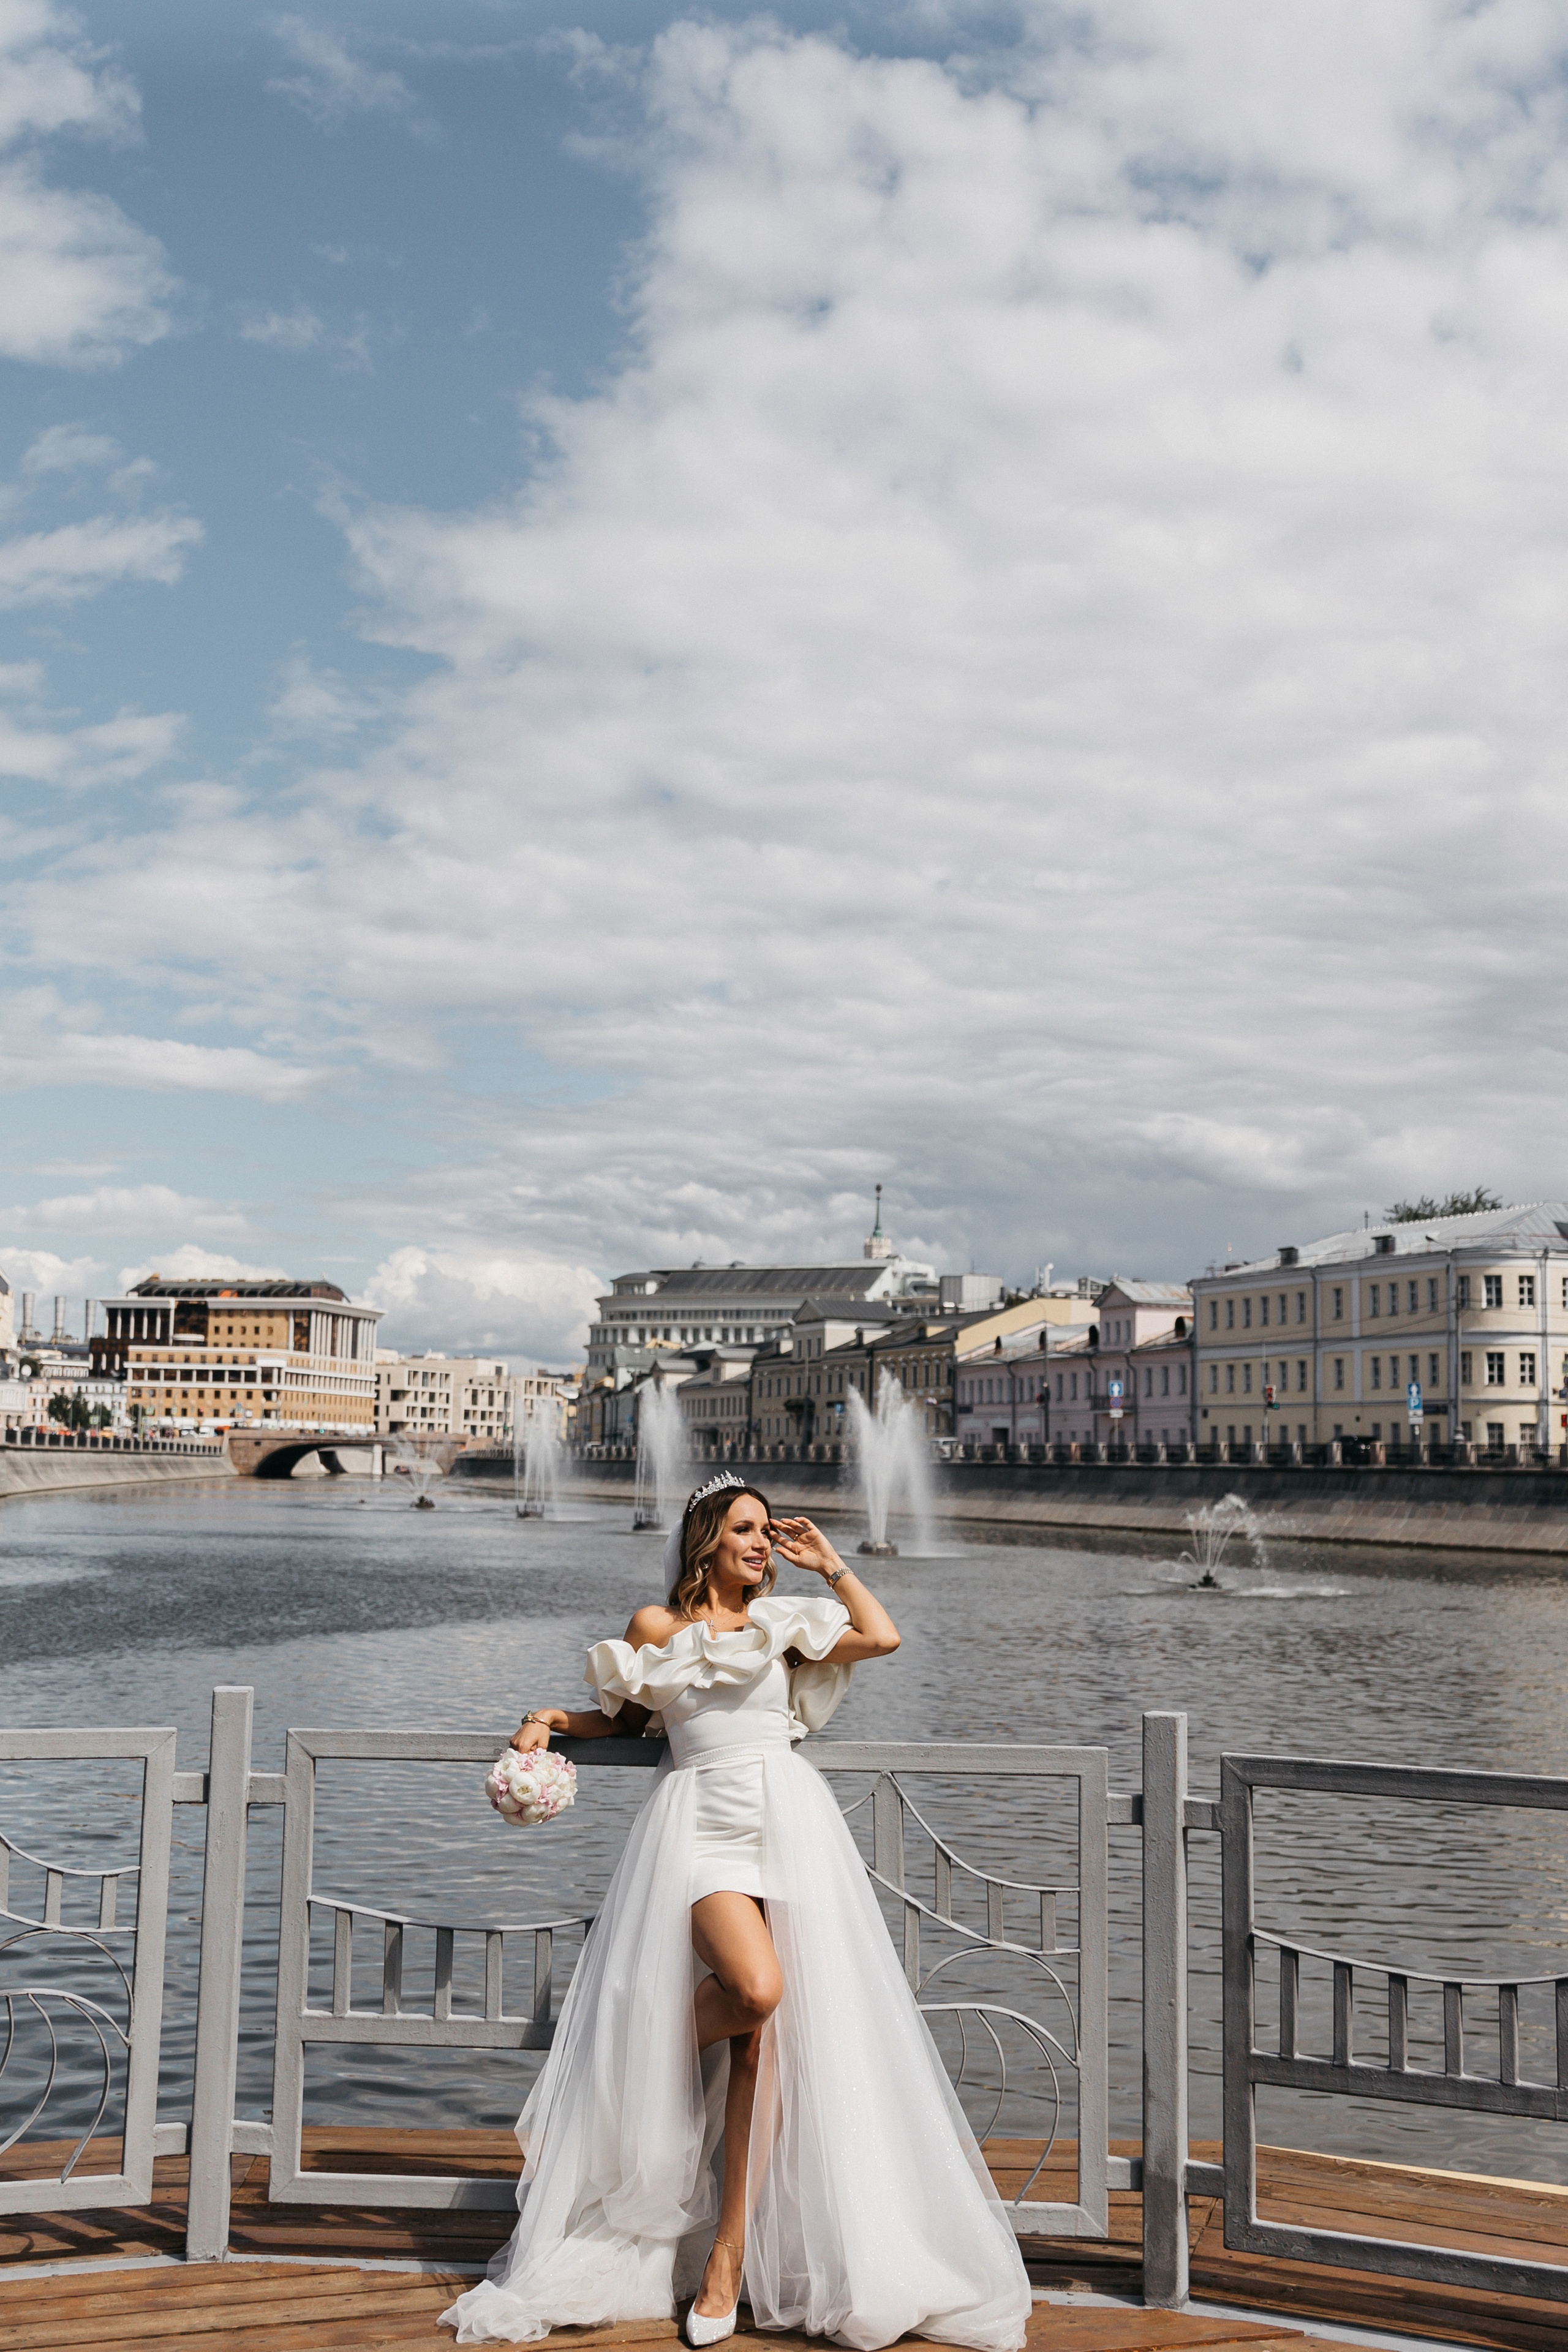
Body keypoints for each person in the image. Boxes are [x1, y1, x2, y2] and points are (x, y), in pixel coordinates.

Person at [441, 1471, 1031, 2352]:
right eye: (747, 1530)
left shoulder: (784, 1628)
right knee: (754, 1991)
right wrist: (547, 1718)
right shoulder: (657, 1628)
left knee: (767, 2039)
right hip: (698, 1827)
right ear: (707, 1539)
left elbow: (883, 1636)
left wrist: (830, 1563)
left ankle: (728, 2258)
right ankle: (638, 2055)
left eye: (769, 1533)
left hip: (788, 1819)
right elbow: (633, 1722)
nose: (763, 1543)